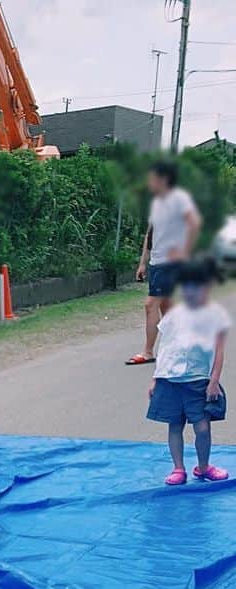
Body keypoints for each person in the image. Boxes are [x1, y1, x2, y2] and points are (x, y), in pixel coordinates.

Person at [147, 257, 228, 485]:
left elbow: (219, 351)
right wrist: (155, 378)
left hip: (198, 381)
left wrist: (213, 381)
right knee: (175, 425)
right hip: (171, 379)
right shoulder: (173, 316)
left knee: (202, 427)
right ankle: (178, 468)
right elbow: (165, 348)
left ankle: (203, 466)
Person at [128, 162, 202, 368]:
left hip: (169, 263)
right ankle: (184, 342)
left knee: (151, 304)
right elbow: (150, 234)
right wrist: (143, 262)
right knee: (166, 305)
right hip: (156, 262)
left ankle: (148, 351)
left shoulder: (179, 199)